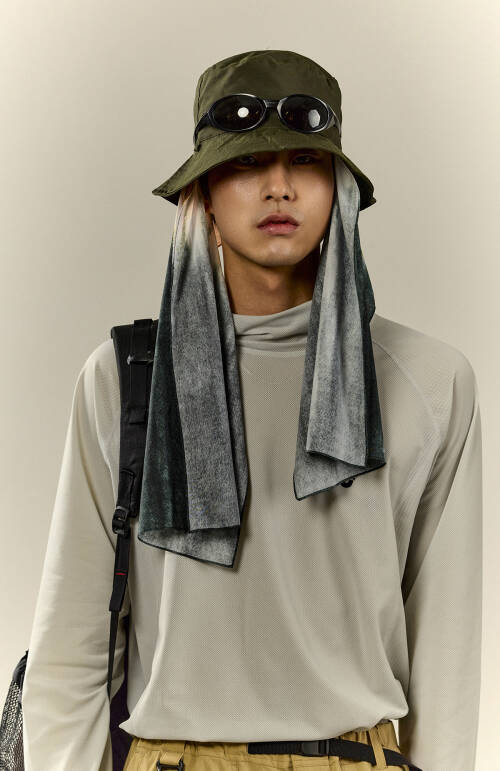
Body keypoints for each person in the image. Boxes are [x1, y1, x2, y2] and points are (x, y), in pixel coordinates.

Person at [21, 50, 482, 771]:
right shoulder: (125, 376)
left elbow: (448, 652)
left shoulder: (430, 381)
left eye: (306, 160)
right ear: (203, 191)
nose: (278, 186)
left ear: (338, 188)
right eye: (246, 163)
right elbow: (71, 646)